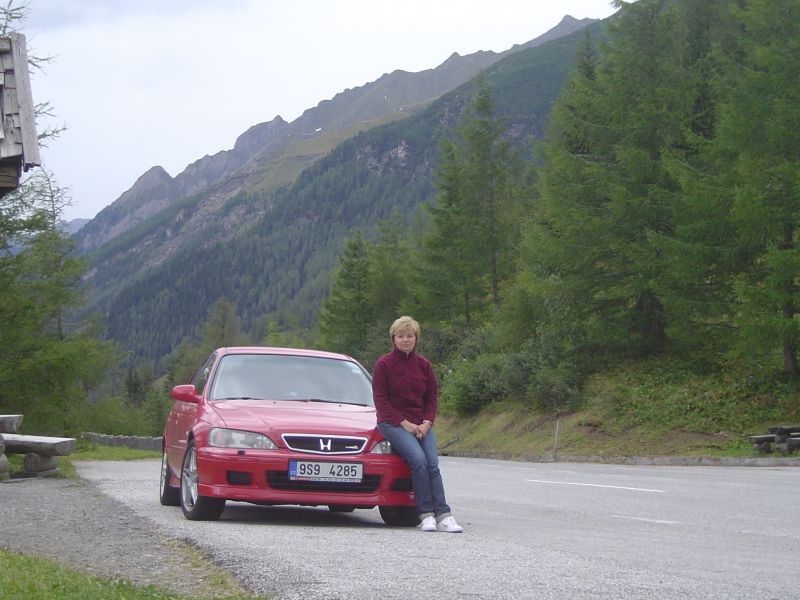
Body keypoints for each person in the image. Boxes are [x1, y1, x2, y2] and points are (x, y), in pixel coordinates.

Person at [372, 316, 463, 533]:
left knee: (432, 463)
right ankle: (426, 515)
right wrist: (405, 424)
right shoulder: (383, 364)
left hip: (421, 423)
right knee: (419, 461)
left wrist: (426, 423)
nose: (405, 340)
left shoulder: (424, 365)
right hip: (392, 422)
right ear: (393, 338)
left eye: (409, 336)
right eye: (401, 336)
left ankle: (444, 515)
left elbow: (431, 398)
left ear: (416, 338)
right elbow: (381, 401)